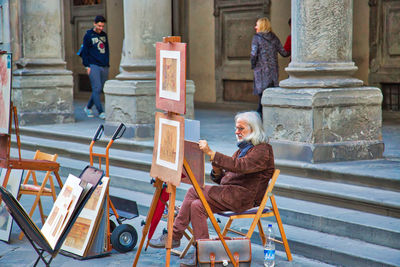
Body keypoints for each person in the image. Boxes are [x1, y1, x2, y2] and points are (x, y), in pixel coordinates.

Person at [149, 111, 275, 267]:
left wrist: (212, 153)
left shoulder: (263, 150)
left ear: (253, 129)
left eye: (241, 128)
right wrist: (216, 169)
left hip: (243, 198)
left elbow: (240, 167)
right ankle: (203, 254)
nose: (237, 132)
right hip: (231, 194)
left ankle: (174, 235)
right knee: (197, 206)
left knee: (193, 191)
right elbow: (225, 179)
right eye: (236, 128)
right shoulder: (243, 149)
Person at [251, 17, 290, 117]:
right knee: (269, 98)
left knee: (261, 99)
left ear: (261, 26)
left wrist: (253, 65)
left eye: (257, 25)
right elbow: (284, 53)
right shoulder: (274, 37)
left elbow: (254, 54)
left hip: (261, 72)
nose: (255, 27)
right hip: (273, 73)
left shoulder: (257, 38)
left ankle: (259, 122)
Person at [81, 15, 109, 120]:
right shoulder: (88, 35)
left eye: (102, 26)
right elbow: (85, 52)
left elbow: (107, 51)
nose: (101, 28)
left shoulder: (104, 35)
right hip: (93, 65)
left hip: (104, 65)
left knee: (99, 89)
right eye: (99, 26)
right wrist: (87, 66)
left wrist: (107, 63)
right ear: (94, 23)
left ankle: (88, 107)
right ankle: (101, 111)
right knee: (96, 87)